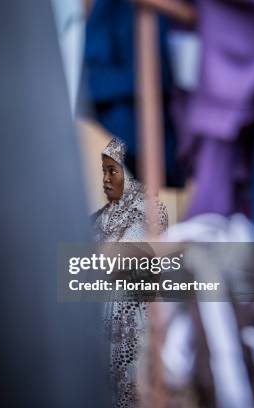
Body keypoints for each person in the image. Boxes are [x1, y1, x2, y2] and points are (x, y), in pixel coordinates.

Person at [91, 138, 168, 408]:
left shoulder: (150, 211)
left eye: (113, 170)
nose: (106, 178)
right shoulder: (97, 218)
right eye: (104, 171)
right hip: (102, 322)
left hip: (135, 322)